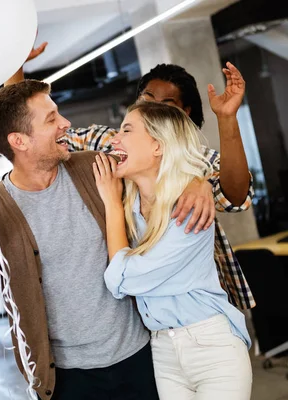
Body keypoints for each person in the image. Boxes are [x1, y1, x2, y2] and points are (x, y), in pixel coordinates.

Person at [0, 79, 227, 399]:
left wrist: (195, 180)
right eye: (51, 119)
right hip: (67, 379)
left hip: (142, 357)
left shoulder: (95, 167)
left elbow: (162, 161)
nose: (65, 124)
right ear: (19, 141)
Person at [7, 55, 255, 311]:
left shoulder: (195, 160)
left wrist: (198, 176)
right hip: (142, 314)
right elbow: (38, 140)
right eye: (148, 99)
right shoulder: (110, 143)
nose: (154, 109)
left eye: (167, 104)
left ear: (184, 113)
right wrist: (14, 66)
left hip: (196, 306)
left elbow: (236, 198)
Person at [94, 101, 252, 399]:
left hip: (212, 346)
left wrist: (111, 205)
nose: (114, 139)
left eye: (126, 130)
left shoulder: (189, 208)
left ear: (158, 145)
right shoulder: (133, 207)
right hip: (162, 348)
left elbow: (123, 281)